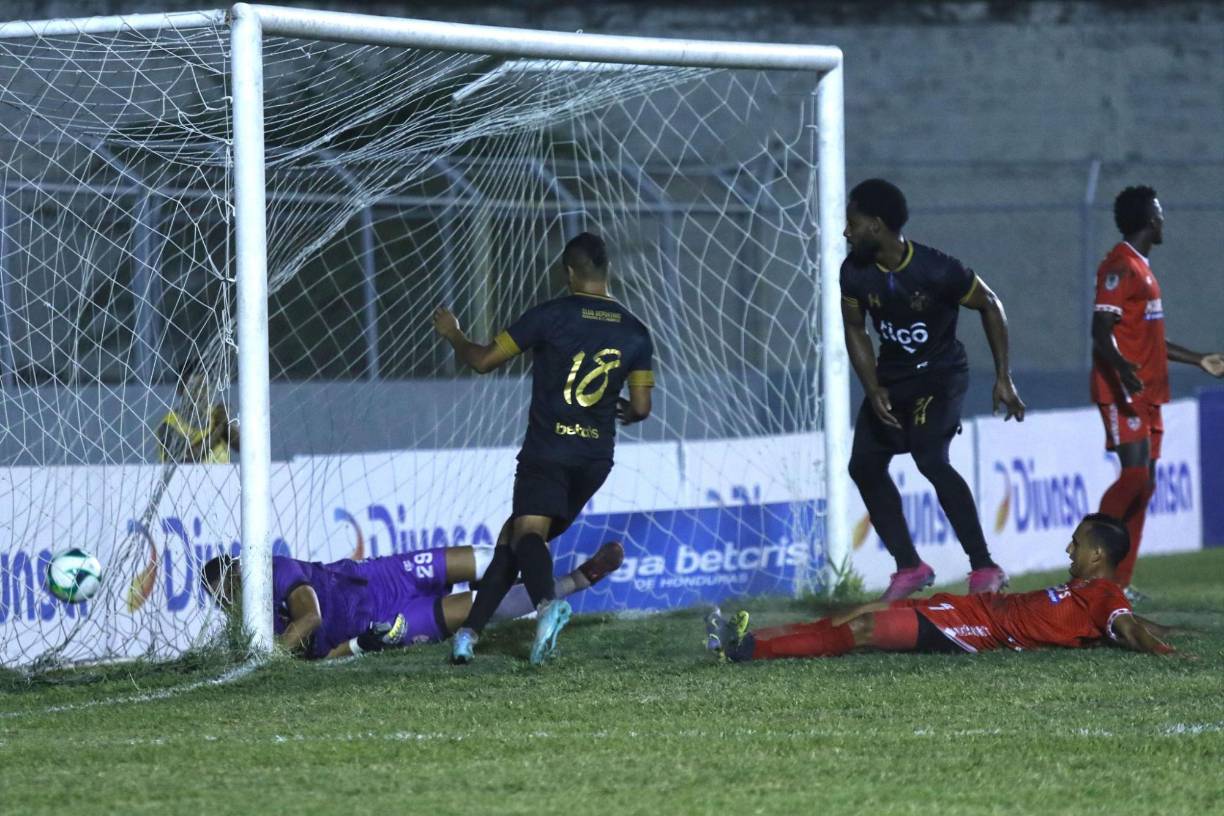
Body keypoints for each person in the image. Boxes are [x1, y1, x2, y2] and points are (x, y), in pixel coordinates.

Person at [431, 232, 654, 665]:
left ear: (569, 272)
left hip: (549, 450)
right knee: (512, 539)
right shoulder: (635, 331)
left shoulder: (551, 315)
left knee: (527, 535)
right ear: (606, 272)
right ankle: (468, 636)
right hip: (594, 460)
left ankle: (548, 606)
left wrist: (454, 334)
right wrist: (621, 406)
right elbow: (642, 408)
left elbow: (481, 361)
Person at [840, 178, 1025, 601]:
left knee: (929, 457)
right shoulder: (853, 272)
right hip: (893, 378)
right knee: (864, 466)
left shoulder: (937, 269)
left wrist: (1003, 377)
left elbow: (991, 306)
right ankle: (910, 567)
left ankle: (984, 567)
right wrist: (872, 388)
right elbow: (856, 330)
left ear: (877, 226)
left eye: (853, 223)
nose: (846, 232)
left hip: (939, 377)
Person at [708, 514, 1178, 662]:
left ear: (1098, 556)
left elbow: (1129, 629)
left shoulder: (1106, 598)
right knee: (860, 611)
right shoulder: (1099, 597)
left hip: (978, 629)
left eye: (1076, 544)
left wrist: (1172, 656)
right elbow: (1129, 625)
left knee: (869, 627)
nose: (1068, 549)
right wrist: (1172, 632)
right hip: (975, 606)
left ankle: (746, 651)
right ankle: (747, 636)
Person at [1090, 185, 1224, 597]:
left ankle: (1119, 584)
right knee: (1133, 477)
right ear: (1150, 218)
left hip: (1149, 392)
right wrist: (1122, 372)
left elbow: (1148, 340)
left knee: (1145, 483)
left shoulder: (1142, 268)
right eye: (1160, 212)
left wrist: (1198, 358)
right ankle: (1090, 569)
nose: (1164, 219)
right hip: (1122, 390)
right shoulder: (1120, 266)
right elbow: (1100, 331)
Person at [201, 542, 624, 660]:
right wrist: (360, 646)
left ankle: (543, 563)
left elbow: (309, 617)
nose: (232, 600)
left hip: (378, 578)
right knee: (476, 611)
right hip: (383, 621)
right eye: (224, 599)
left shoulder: (272, 569)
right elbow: (325, 657)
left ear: (241, 573)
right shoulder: (256, 629)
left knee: (475, 560)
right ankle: (580, 578)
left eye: (232, 588)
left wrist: (267, 655)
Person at [154, 361, 239, 464]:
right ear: (180, 390)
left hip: (223, 479)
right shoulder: (169, 424)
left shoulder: (216, 415)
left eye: (204, 386)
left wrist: (226, 423)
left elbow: (242, 447)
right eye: (193, 387)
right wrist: (218, 427)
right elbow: (185, 460)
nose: (200, 393)